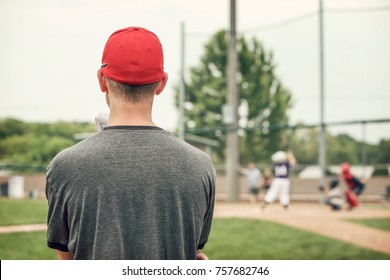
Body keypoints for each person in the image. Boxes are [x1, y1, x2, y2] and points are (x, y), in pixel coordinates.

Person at [45, 27, 216, 260]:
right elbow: (193, 251)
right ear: (162, 83)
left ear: (101, 80)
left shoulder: (64, 165)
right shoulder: (201, 165)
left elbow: (67, 260)